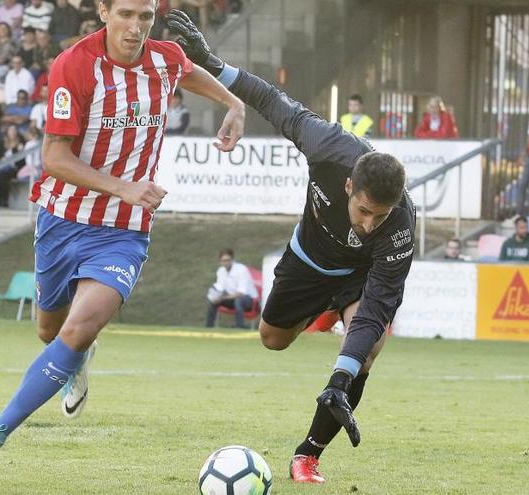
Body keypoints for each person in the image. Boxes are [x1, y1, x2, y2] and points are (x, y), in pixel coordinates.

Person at [0, 0, 245, 475]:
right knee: (50, 332)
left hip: (123, 230)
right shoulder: (74, 65)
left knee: (77, 326)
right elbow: (54, 157)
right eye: (126, 14)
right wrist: (124, 185)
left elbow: (186, 71)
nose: (135, 28)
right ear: (104, 11)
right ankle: (79, 358)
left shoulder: (163, 58)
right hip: (62, 218)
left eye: (145, 17)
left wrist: (233, 103)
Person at [169, 9, 413, 484]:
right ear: (347, 187)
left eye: (379, 216)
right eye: (364, 211)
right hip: (310, 258)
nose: (369, 224)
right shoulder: (326, 145)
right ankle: (321, 313)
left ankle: (308, 454)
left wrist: (341, 379)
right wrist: (213, 62)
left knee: (369, 344)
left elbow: (378, 305)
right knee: (273, 339)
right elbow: (270, 99)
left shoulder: (399, 224)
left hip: (360, 277)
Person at [205, 249, 257, 329]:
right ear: (220, 261)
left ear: (232, 260)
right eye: (223, 261)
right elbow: (220, 288)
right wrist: (215, 296)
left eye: (228, 260)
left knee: (238, 301)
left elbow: (241, 293)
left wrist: (222, 298)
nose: (226, 262)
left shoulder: (241, 269)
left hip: (249, 300)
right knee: (213, 302)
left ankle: (240, 327)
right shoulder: (220, 271)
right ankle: (208, 328)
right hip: (231, 298)